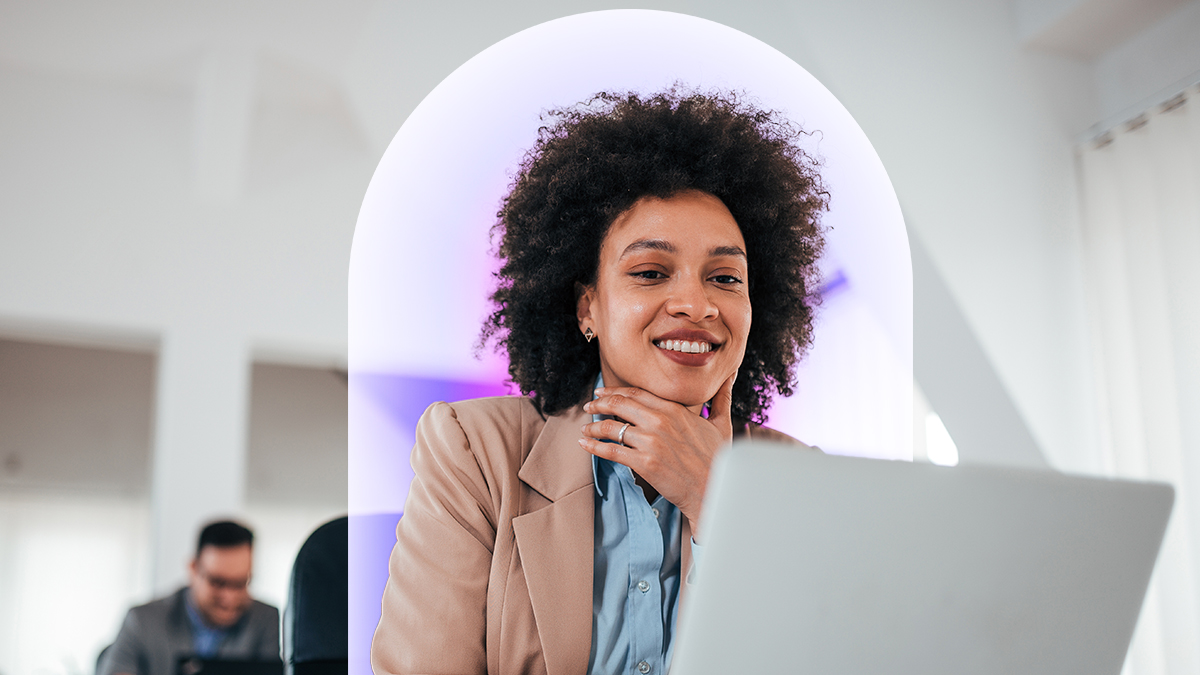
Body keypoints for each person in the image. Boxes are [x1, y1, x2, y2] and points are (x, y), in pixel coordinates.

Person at [371, 88, 827, 675]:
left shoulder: (801, 482)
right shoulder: (475, 451)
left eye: (725, 278)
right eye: (650, 272)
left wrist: (719, 503)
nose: (696, 303)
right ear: (589, 309)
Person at [99, 521, 280, 675]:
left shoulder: (267, 620)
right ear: (194, 568)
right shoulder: (141, 620)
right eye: (218, 582)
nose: (229, 597)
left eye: (240, 583)